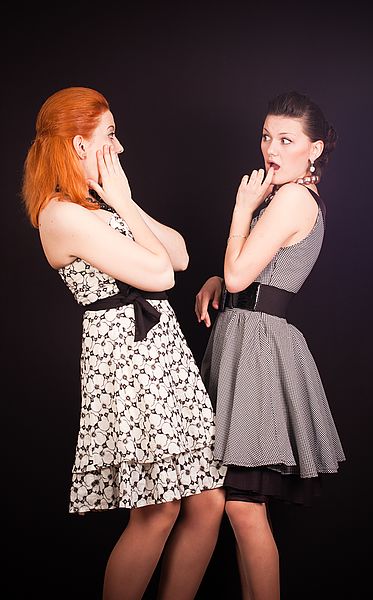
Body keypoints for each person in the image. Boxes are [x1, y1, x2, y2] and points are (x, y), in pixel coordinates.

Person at [21, 86, 227, 600]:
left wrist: (126, 203)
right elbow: (161, 274)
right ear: (77, 146)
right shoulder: (60, 215)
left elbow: (178, 254)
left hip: (163, 356)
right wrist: (127, 208)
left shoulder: (101, 205)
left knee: (207, 502)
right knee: (157, 511)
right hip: (128, 363)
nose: (119, 147)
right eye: (109, 135)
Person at [195, 90, 346, 599]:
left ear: (315, 149)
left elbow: (243, 272)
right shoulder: (287, 196)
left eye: (286, 140)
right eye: (266, 136)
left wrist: (242, 210)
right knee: (222, 501)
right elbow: (249, 273)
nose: (271, 150)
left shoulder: (292, 198)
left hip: (257, 349)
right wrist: (221, 278)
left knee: (241, 504)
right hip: (243, 339)